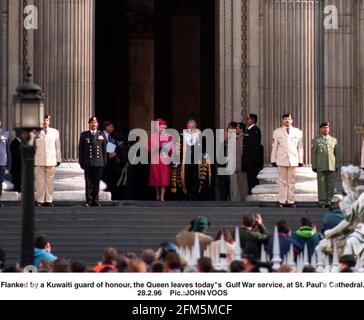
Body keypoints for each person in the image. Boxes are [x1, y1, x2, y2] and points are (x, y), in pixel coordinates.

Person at [172, 119, 211, 201]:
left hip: (197, 161)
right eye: (189, 126)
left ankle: (195, 195)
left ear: (196, 126)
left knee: (196, 178)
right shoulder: (182, 135)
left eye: (193, 126)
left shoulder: (200, 135)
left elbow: (204, 147)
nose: (191, 128)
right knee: (186, 178)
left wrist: (205, 154)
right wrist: (176, 160)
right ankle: (187, 194)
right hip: (185, 161)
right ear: (187, 126)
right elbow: (178, 148)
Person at [271, 114, 304, 208]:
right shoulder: (277, 132)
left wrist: (300, 160)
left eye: (288, 119)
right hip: (281, 159)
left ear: (292, 120)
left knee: (292, 181)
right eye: (285, 119)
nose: (287, 121)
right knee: (282, 181)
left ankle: (290, 201)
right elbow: (274, 147)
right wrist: (273, 159)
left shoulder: (298, 132)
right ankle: (282, 200)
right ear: (282, 120)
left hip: (293, 159)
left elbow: (300, 147)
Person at [79, 117, 107, 207]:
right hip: (88, 161)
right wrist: (81, 162)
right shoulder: (84, 135)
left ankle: (95, 200)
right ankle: (89, 200)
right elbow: (81, 150)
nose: (93, 124)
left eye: (95, 122)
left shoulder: (101, 134)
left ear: (97, 124)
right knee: (88, 182)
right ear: (89, 124)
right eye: (91, 122)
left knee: (96, 182)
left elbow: (104, 149)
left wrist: (104, 162)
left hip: (99, 162)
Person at [34, 115, 61, 207]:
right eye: (44, 120)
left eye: (47, 120)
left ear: (49, 121)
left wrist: (58, 158)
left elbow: (57, 146)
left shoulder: (55, 132)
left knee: (50, 181)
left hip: (51, 159)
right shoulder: (35, 132)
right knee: (39, 181)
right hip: (39, 159)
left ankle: (49, 200)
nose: (45, 122)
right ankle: (40, 200)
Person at [312, 122, 339, 208]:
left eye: (327, 127)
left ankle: (328, 201)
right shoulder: (316, 140)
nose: (326, 129)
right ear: (321, 129)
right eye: (324, 128)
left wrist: (336, 165)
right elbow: (313, 154)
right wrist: (314, 166)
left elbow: (336, 154)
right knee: (321, 184)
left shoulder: (334, 140)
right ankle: (322, 201)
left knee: (330, 184)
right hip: (321, 165)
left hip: (331, 165)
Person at [149, 119, 173, 202]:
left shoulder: (169, 136)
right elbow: (148, 148)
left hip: (164, 158)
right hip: (155, 158)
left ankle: (162, 196)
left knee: (164, 177)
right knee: (156, 177)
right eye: (160, 127)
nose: (162, 129)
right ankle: (157, 194)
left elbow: (171, 149)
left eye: (163, 127)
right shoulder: (152, 136)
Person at [242, 114, 263, 194]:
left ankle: (254, 195)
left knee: (253, 179)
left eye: (248, 119)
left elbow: (255, 146)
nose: (246, 120)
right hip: (248, 160)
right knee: (250, 179)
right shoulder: (249, 130)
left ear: (253, 120)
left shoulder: (255, 130)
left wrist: (253, 159)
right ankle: (251, 194)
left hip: (252, 160)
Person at [230, 122, 249, 201]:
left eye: (237, 128)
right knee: (234, 186)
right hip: (233, 165)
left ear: (241, 129)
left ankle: (244, 201)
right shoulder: (232, 138)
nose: (236, 129)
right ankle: (235, 201)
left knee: (243, 186)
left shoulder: (245, 138)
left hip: (242, 165)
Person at [0, 121, 10, 205]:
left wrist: (9, 162)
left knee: (0, 182)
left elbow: (7, 149)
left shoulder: (5, 133)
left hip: (2, 162)